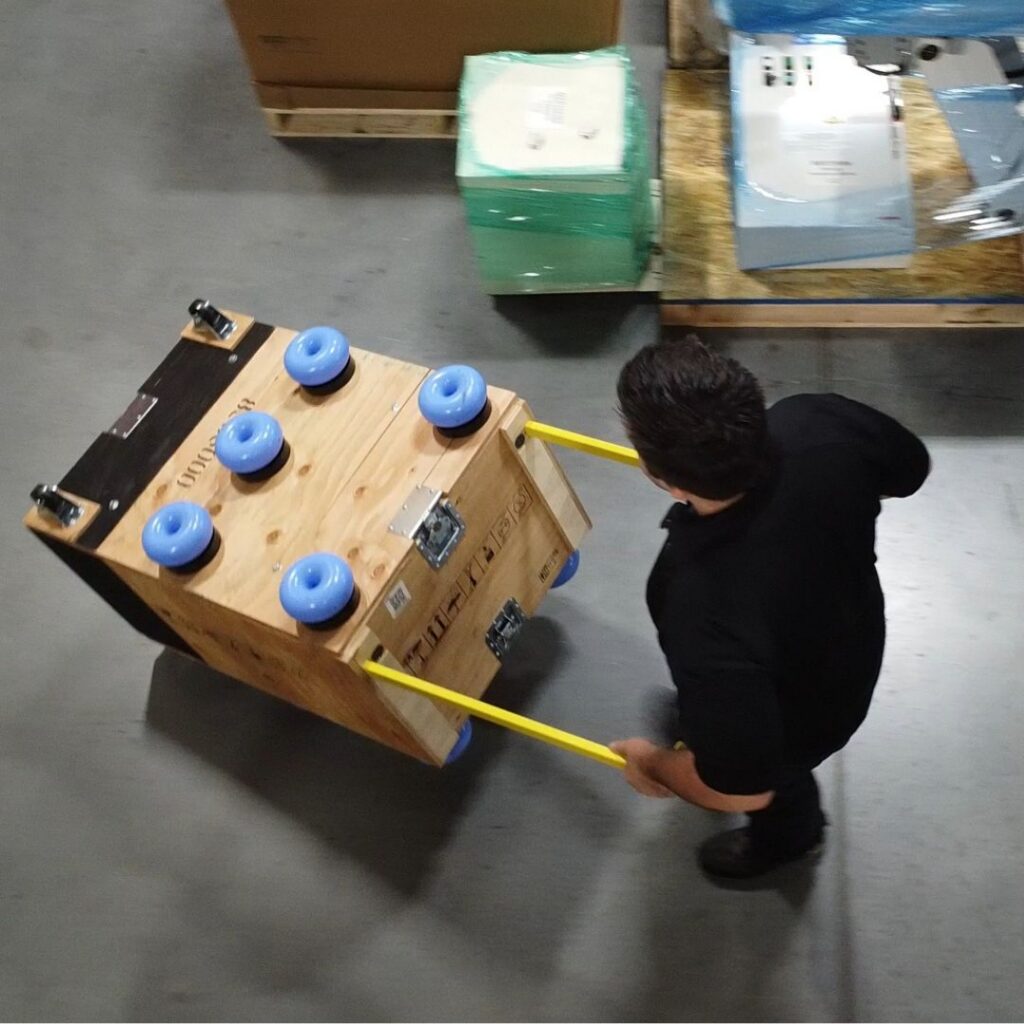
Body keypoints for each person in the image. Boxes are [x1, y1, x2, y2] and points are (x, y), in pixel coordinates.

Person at [609, 336, 930, 880]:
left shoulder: (698, 606)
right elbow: (910, 468)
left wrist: (655, 762)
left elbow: (743, 789)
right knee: (722, 724)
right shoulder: (816, 422)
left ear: (660, 479)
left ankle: (791, 840)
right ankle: (712, 730)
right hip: (851, 637)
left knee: (777, 779)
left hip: (804, 716)